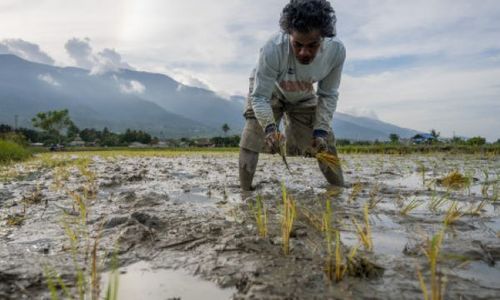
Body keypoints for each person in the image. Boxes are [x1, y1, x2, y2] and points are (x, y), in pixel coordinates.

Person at [239, 0, 346, 191]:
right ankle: (245, 193)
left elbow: (328, 94)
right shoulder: (273, 48)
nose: (304, 52)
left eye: (312, 45)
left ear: (324, 37)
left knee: (325, 145)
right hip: (269, 89)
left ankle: (340, 190)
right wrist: (270, 129)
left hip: (303, 92)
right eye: (297, 45)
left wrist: (320, 131)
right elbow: (259, 97)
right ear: (289, 35)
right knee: (252, 137)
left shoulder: (336, 51)